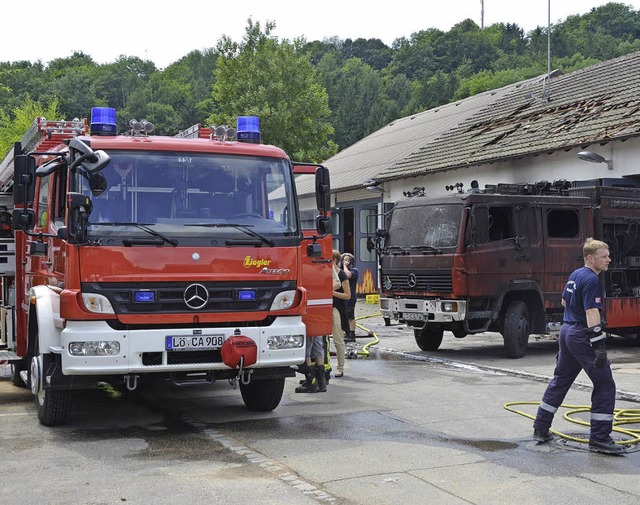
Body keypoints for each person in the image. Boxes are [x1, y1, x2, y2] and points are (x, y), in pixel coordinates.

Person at [532, 238, 624, 455]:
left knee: (561, 380)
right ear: (591, 258)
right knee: (605, 383)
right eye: (604, 256)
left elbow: (564, 302)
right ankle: (600, 438)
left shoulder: (576, 274)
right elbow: (592, 313)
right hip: (581, 334)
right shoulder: (592, 280)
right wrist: (599, 346)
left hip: (567, 332)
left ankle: (541, 427)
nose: (609, 260)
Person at [332, 249, 351, 378]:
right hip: (324, 308)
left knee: (338, 339)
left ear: (334, 260)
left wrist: (332, 293)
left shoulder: (342, 275)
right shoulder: (325, 273)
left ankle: (340, 367)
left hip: (337, 309)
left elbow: (348, 295)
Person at [341, 253, 359, 342]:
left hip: (351, 297)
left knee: (350, 315)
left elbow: (347, 275)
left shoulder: (354, 271)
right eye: (344, 260)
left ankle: (352, 334)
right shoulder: (340, 270)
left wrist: (345, 266)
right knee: (343, 315)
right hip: (342, 297)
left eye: (347, 260)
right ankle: (346, 332)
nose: (345, 262)